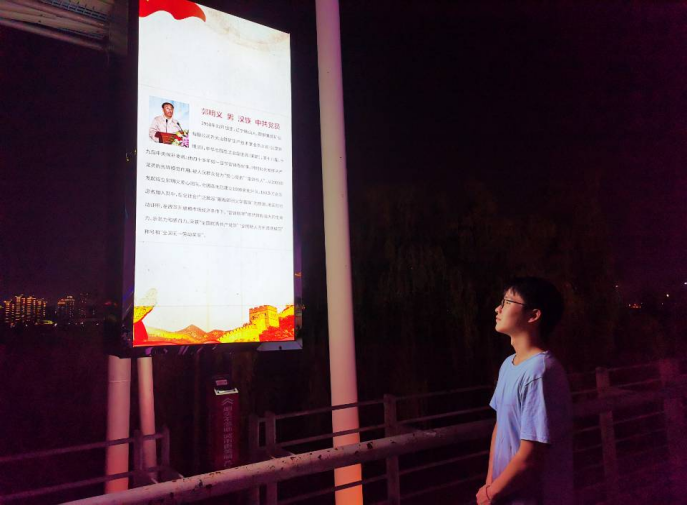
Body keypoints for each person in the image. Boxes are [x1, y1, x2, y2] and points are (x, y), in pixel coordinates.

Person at [476, 277, 573, 505]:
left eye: (507, 302)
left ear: (533, 315)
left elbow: (532, 454)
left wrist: (491, 493)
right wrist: (491, 484)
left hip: (532, 497)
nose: (498, 308)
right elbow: (501, 425)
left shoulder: (540, 372)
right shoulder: (509, 364)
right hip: (504, 494)